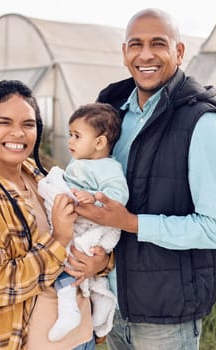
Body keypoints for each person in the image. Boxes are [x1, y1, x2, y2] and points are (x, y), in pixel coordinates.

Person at [75, 8, 216, 350]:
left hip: (166, 317)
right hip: (113, 302)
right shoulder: (110, 110)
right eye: (136, 44)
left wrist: (132, 222)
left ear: (179, 52)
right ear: (124, 53)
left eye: (158, 44)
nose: (145, 54)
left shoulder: (200, 122)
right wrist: (102, 259)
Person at [0, 80, 102, 350]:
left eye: (28, 124)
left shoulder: (39, 177)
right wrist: (57, 240)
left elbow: (85, 232)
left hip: (82, 337)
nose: (18, 133)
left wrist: (100, 262)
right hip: (34, 342)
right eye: (4, 122)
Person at [37, 103, 128, 341]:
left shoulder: (109, 169)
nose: (70, 141)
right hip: (76, 220)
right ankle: (99, 305)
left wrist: (94, 200)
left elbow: (118, 199)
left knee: (66, 259)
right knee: (67, 257)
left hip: (94, 227)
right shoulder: (80, 163)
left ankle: (69, 311)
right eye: (70, 135)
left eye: (77, 136)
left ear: (99, 143)